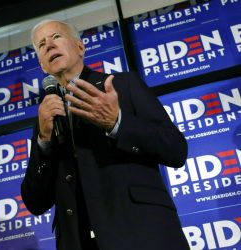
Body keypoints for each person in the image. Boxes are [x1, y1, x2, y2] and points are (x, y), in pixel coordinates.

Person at [21, 19, 190, 250]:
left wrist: (116, 122)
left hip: (142, 236)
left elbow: (176, 150)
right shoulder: (45, 118)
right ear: (42, 65)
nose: (49, 45)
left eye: (56, 37)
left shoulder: (124, 85)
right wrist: (43, 142)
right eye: (41, 44)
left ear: (80, 47)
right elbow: (35, 202)